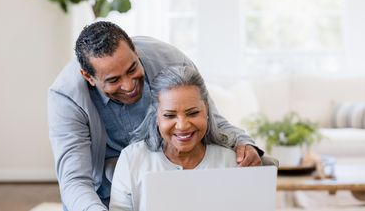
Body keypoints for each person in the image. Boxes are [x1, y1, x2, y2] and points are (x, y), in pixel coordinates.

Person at [48, 21, 263, 211]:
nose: (129, 86)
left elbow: (209, 117)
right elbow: (75, 181)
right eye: (114, 80)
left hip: (169, 176)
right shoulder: (66, 98)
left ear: (135, 51)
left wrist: (243, 143)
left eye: (132, 69)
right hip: (100, 193)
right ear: (89, 77)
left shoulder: (170, 60)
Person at [109, 66, 241, 211]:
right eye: (169, 115)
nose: (182, 126)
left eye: (193, 113)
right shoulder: (131, 159)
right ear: (156, 117)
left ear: (207, 111)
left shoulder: (230, 160)